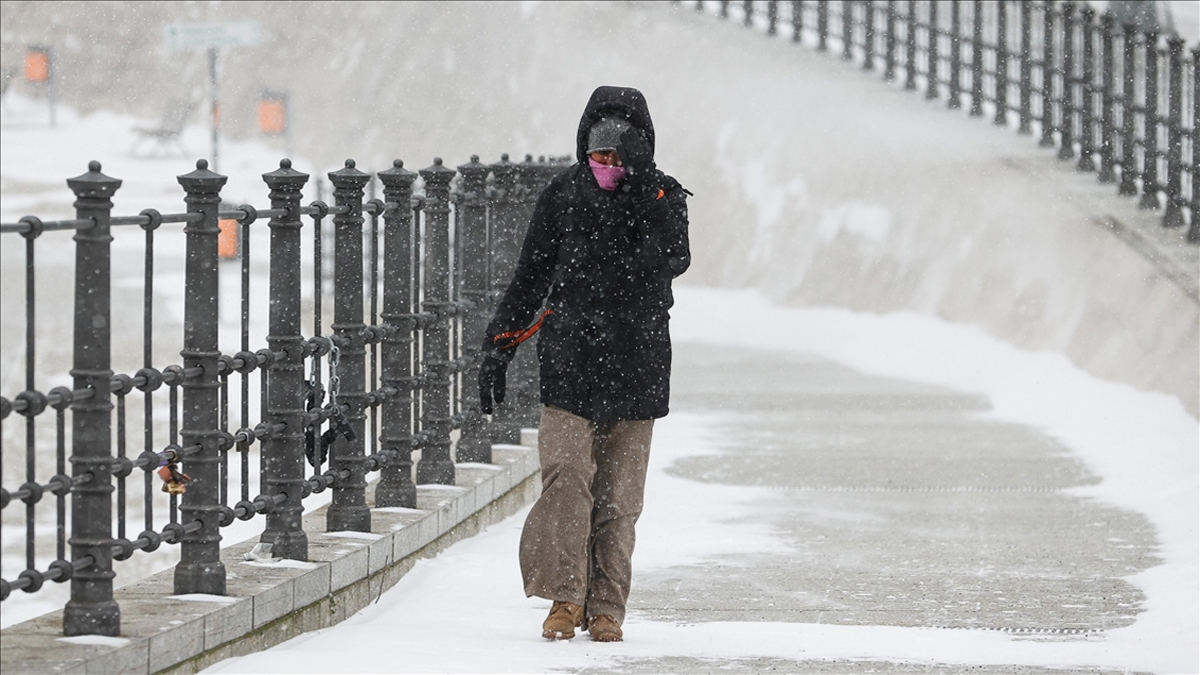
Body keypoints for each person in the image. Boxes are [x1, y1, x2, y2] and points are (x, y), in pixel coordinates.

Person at [478, 85, 690, 642]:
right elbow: (531, 277)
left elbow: (673, 258)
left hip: (637, 365)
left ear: (640, 152)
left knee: (620, 499)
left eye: (620, 158)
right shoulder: (561, 196)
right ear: (584, 149)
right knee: (567, 478)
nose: (608, 167)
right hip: (570, 363)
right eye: (599, 156)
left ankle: (607, 608)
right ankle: (565, 597)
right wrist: (499, 345)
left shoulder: (664, 196)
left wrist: (644, 194)